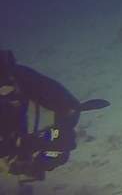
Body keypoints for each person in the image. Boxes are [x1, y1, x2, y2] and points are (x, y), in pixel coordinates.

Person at [1, 50, 108, 183]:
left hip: (21, 139)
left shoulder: (24, 79)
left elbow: (67, 107)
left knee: (59, 146)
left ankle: (31, 164)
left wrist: (33, 150)